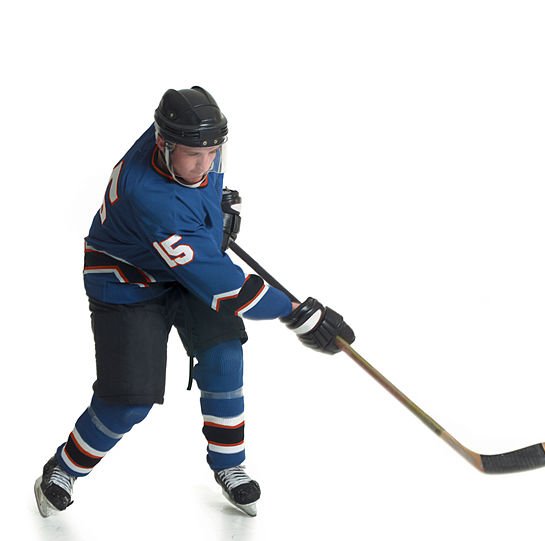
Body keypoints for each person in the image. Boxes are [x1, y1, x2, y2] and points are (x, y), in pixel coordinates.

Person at [34, 86, 355, 518]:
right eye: (193, 157)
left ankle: (230, 467)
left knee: (223, 357)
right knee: (129, 397)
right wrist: (296, 313)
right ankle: (63, 469)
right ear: (163, 144)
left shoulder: (188, 140)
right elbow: (228, 291)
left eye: (212, 153)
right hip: (125, 278)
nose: (205, 165)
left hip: (183, 260)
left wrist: (209, 207)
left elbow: (202, 188)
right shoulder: (151, 197)